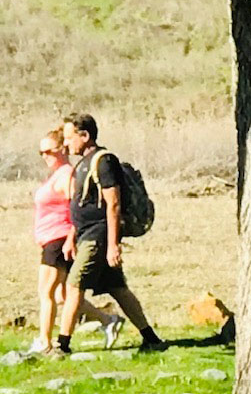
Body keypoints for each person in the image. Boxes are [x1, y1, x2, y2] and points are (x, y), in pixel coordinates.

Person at [56, 113, 166, 355]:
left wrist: (112, 245)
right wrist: (71, 237)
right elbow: (83, 202)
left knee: (74, 286)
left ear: (85, 135)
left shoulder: (104, 161)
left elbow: (112, 204)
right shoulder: (82, 164)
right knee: (118, 289)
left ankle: (62, 345)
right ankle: (152, 339)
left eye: (69, 137)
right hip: (86, 235)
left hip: (99, 236)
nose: (66, 144)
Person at [31, 127, 123, 354]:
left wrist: (71, 237)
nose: (44, 157)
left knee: (47, 292)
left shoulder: (66, 175)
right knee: (63, 295)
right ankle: (107, 319)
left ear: (61, 149)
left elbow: (75, 208)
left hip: (58, 238)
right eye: (40, 153)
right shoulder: (56, 174)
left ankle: (45, 341)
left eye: (48, 151)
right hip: (49, 238)